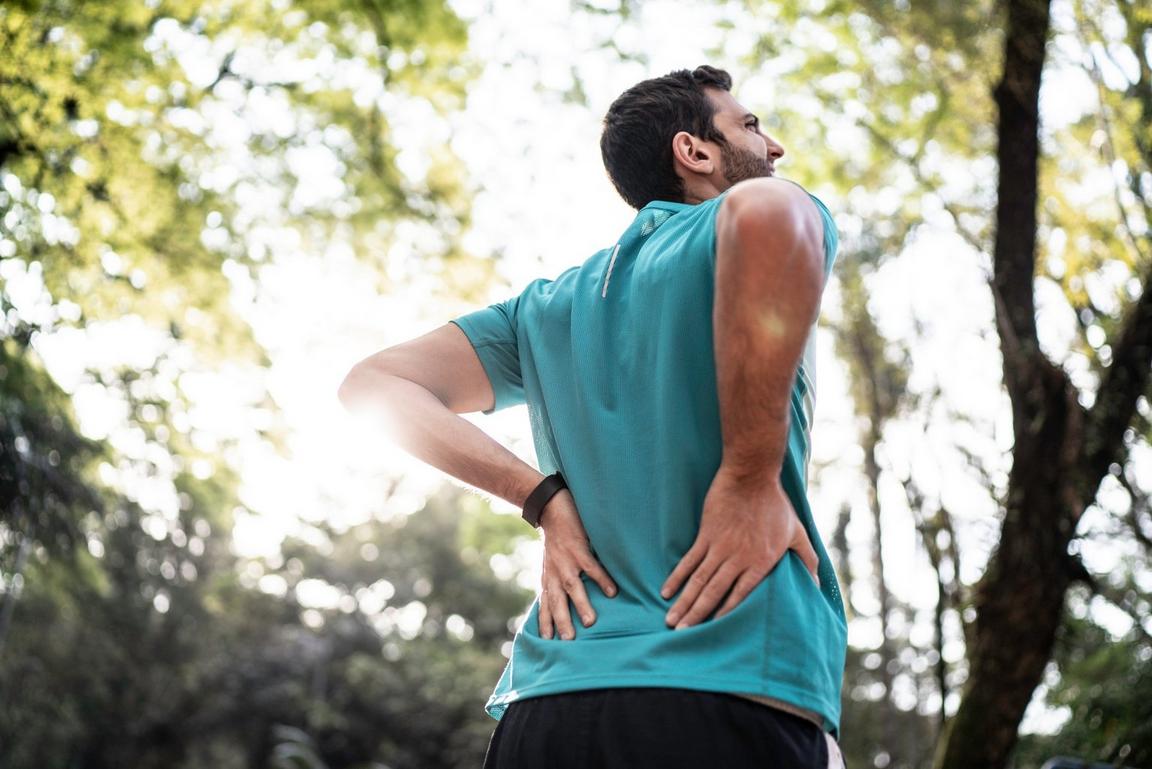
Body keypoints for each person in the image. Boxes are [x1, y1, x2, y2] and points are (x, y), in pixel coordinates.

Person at [337, 65, 848, 769]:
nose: (774, 148)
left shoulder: (544, 307)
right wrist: (750, 478)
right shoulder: (755, 214)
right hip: (724, 679)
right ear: (693, 151)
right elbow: (772, 212)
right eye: (751, 126)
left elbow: (374, 385)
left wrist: (541, 499)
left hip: (547, 708)